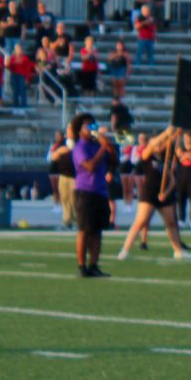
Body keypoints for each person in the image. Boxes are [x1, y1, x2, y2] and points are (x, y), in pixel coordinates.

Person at [119, 127, 191, 261]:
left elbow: (172, 180)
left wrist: (177, 133)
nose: (159, 145)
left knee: (171, 223)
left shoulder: (163, 158)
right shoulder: (147, 155)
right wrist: (166, 133)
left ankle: (178, 251)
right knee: (140, 222)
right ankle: (125, 251)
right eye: (157, 142)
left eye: (160, 143)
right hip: (148, 194)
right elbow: (153, 144)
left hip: (163, 195)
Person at [70, 113, 116, 277]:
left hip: (100, 191)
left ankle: (94, 265)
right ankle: (82, 266)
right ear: (80, 130)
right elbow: (89, 166)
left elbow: (114, 162)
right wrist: (103, 148)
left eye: (94, 126)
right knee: (84, 229)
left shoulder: (98, 145)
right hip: (85, 192)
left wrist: (108, 147)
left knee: (97, 231)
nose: (92, 130)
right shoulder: (79, 147)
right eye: (89, 127)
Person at [174, 131, 191, 229]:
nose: (186, 140)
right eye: (185, 138)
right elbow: (179, 155)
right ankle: (181, 219)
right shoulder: (180, 149)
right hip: (181, 178)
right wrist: (184, 155)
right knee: (181, 199)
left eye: (188, 138)